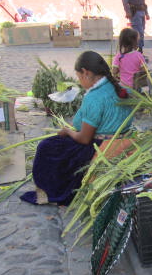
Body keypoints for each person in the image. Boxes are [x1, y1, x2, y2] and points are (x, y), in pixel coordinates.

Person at [20, 51, 133, 206]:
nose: (79, 82)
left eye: (79, 77)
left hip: (98, 145)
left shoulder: (94, 98)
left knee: (46, 147)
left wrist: (67, 131)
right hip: (122, 138)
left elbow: (84, 138)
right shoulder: (119, 88)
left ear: (86, 73)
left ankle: (54, 192)